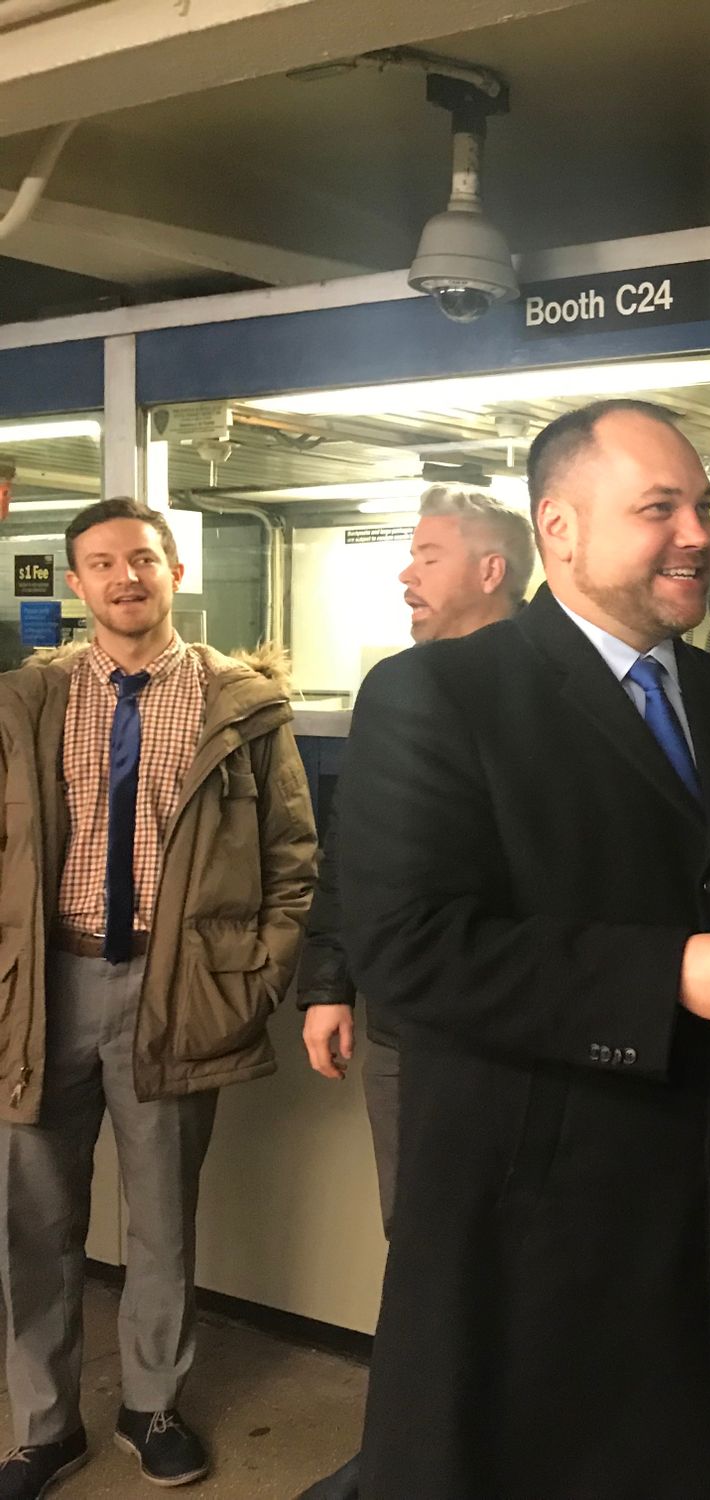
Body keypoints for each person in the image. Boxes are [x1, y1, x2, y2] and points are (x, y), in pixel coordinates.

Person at [337, 399, 710, 1500]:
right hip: (542, 1210)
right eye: (660, 508)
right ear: (558, 529)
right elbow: (409, 947)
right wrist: (670, 976)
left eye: (702, 505)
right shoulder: (438, 698)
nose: (698, 533)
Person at [0, 497, 316, 1498]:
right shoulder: (26, 702)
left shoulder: (241, 705)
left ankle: (152, 1405)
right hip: (43, 987)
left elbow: (293, 856)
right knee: (34, 1223)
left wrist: (255, 976)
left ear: (176, 571)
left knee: (160, 1221)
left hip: (179, 993)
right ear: (78, 584)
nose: (123, 577)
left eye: (141, 558)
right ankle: (44, 1429)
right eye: (100, 564)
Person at [291, 484, 535, 1500]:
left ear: (491, 570)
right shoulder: (397, 686)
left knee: (529, 1245)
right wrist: (330, 980)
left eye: (426, 555)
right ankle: (414, 1454)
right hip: (403, 1028)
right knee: (424, 1244)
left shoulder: (556, 689)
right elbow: (358, 851)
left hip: (525, 1025)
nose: (404, 573)